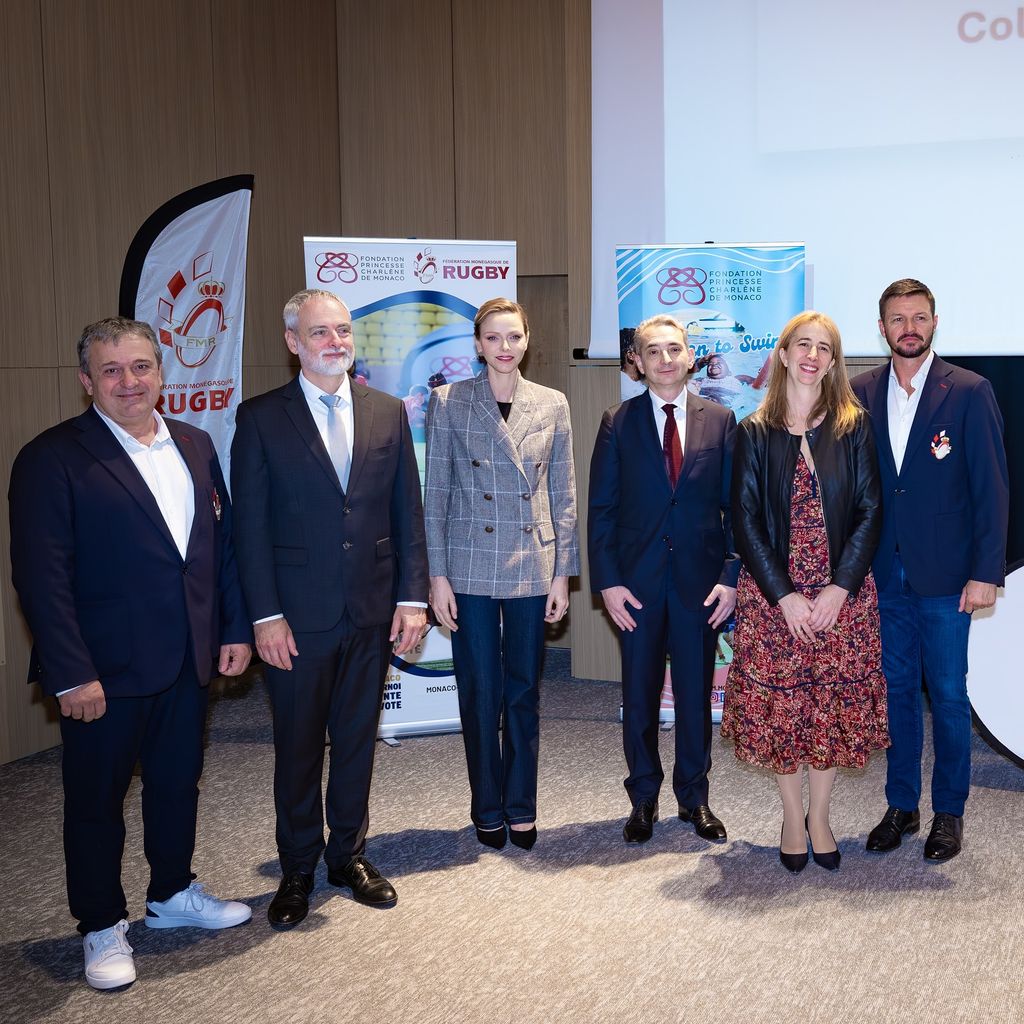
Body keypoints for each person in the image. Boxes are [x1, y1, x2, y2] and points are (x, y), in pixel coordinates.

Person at [8, 317, 253, 991]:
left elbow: (219, 549)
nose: (129, 381)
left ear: (160, 373)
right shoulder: (51, 458)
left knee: (177, 784)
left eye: (141, 366)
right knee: (97, 801)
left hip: (187, 658)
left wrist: (233, 630)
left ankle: (171, 893)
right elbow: (41, 578)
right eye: (111, 370)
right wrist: (70, 672)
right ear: (86, 381)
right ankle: (100, 922)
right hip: (102, 672)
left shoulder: (196, 443)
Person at [230, 288, 428, 928]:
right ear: (293, 342)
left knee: (356, 741)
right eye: (320, 332)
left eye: (342, 330)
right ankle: (297, 867)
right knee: (297, 748)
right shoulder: (260, 418)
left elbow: (407, 511)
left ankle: (348, 856)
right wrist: (264, 615)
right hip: (294, 619)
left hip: (372, 609)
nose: (335, 342)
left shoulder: (386, 411)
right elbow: (248, 528)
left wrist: (412, 598)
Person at [723, 311, 888, 873]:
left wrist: (840, 589)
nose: (812, 356)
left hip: (843, 595)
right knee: (784, 708)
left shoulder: (854, 426)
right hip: (776, 599)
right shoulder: (753, 431)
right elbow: (744, 521)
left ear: (833, 361)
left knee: (829, 709)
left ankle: (821, 816)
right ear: (784, 354)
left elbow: (870, 511)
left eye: (824, 348)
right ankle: (792, 817)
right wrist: (785, 596)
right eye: (803, 345)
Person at [851, 279, 1009, 862]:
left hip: (947, 576)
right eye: (898, 319)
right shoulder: (859, 392)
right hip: (881, 573)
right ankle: (901, 805)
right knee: (895, 692)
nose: (909, 328)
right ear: (882, 328)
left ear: (934, 323)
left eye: (919, 317)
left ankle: (948, 812)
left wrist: (985, 571)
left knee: (946, 694)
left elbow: (991, 488)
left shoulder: (968, 390)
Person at [424, 298, 578, 851]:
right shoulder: (449, 400)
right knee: (480, 691)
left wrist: (562, 574)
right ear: (477, 344)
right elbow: (435, 494)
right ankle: (486, 806)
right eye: (493, 338)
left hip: (532, 563)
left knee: (524, 691)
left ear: (527, 340)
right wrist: (437, 576)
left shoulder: (552, 403)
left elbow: (563, 494)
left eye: (513, 336)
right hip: (469, 564)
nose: (504, 347)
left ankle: (521, 806)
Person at [589, 314, 737, 845]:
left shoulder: (721, 420)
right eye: (653, 351)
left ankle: (694, 798)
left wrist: (731, 576)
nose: (665, 359)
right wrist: (608, 583)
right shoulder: (617, 421)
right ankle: (643, 797)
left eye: (674, 349)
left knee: (696, 695)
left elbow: (736, 508)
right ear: (637, 362)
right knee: (640, 693)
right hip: (637, 587)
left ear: (690, 356)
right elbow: (602, 509)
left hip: (702, 585)